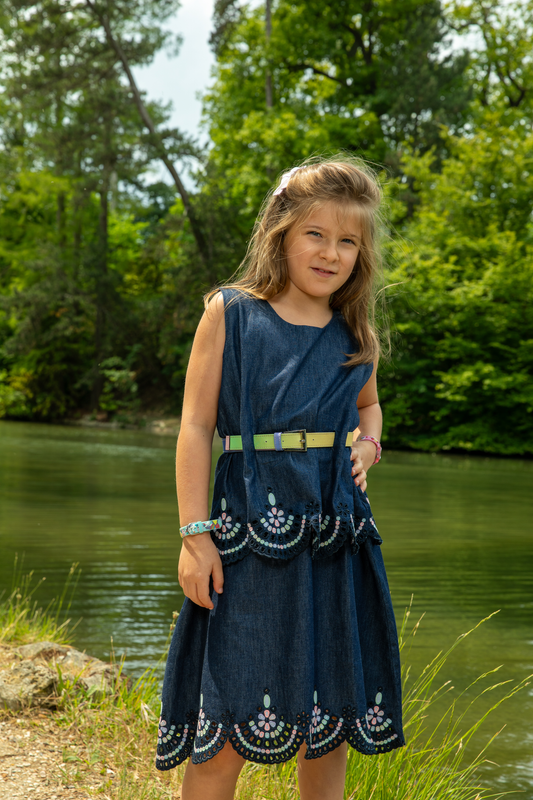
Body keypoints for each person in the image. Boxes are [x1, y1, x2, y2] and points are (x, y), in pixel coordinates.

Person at [155, 156, 405, 800]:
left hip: (336, 535)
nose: (331, 253)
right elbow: (195, 428)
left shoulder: (354, 330)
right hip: (249, 532)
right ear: (280, 233)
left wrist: (370, 444)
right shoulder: (232, 313)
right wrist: (194, 536)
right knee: (227, 716)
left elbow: (370, 405)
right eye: (315, 234)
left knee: (330, 722)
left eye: (348, 241)